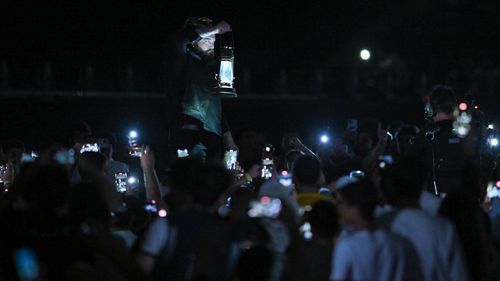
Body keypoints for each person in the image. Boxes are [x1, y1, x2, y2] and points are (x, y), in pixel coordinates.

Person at [164, 16, 237, 163]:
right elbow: (179, 40)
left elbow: (216, 108)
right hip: (190, 135)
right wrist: (214, 29)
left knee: (212, 181)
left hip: (212, 136)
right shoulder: (183, 59)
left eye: (214, 40)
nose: (212, 44)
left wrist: (229, 139)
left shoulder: (208, 71)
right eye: (207, 39)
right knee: (191, 179)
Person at [331, 180, 420, 281]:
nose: (339, 208)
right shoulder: (397, 242)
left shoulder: (348, 246)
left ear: (355, 207)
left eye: (341, 203)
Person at [409, 85, 468, 196]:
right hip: (463, 198)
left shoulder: (424, 136)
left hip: (431, 197)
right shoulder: (466, 134)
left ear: (430, 108)